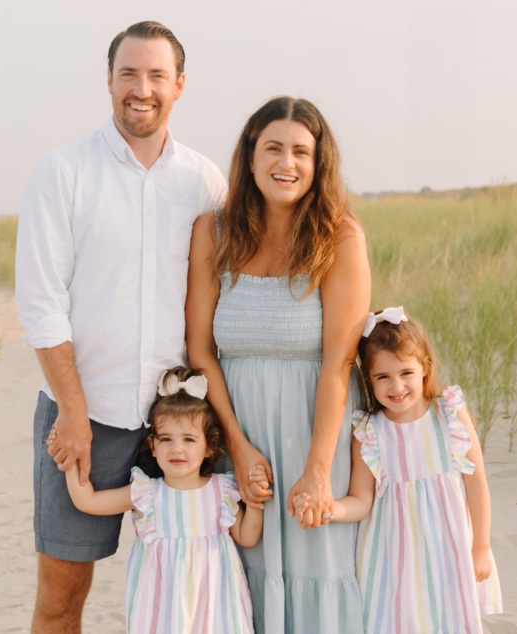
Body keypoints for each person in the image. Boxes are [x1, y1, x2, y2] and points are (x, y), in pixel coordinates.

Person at [14, 21, 227, 633]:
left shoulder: (205, 182)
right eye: (129, 73)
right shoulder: (63, 172)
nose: (142, 88)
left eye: (157, 75)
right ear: (109, 81)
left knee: (195, 587)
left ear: (179, 85)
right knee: (62, 597)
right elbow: (42, 305)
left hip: (183, 420)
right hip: (89, 417)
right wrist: (73, 414)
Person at [186, 96, 371, 633]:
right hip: (236, 431)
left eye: (300, 152)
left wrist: (318, 469)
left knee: (321, 569)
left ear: (318, 164)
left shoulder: (339, 238)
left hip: (318, 433)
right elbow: (200, 352)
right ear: (249, 156)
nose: (285, 163)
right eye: (273, 148)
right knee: (243, 572)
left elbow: (340, 362)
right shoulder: (212, 233)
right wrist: (237, 448)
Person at [295, 307, 503, 633]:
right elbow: (361, 500)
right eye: (383, 377)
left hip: (448, 550)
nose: (397, 386)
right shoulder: (369, 432)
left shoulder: (448, 414)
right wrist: (330, 508)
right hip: (392, 560)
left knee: (452, 619)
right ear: (369, 380)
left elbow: (476, 484)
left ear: (424, 368)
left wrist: (480, 547)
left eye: (406, 373)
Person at [65, 367, 262, 633]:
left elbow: (247, 537)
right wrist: (69, 462)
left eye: (189, 439)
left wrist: (256, 500)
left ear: (208, 448)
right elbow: (87, 501)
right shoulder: (146, 494)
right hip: (161, 609)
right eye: (166, 439)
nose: (176, 448)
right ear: (153, 446)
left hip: (215, 605)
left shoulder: (221, 490)